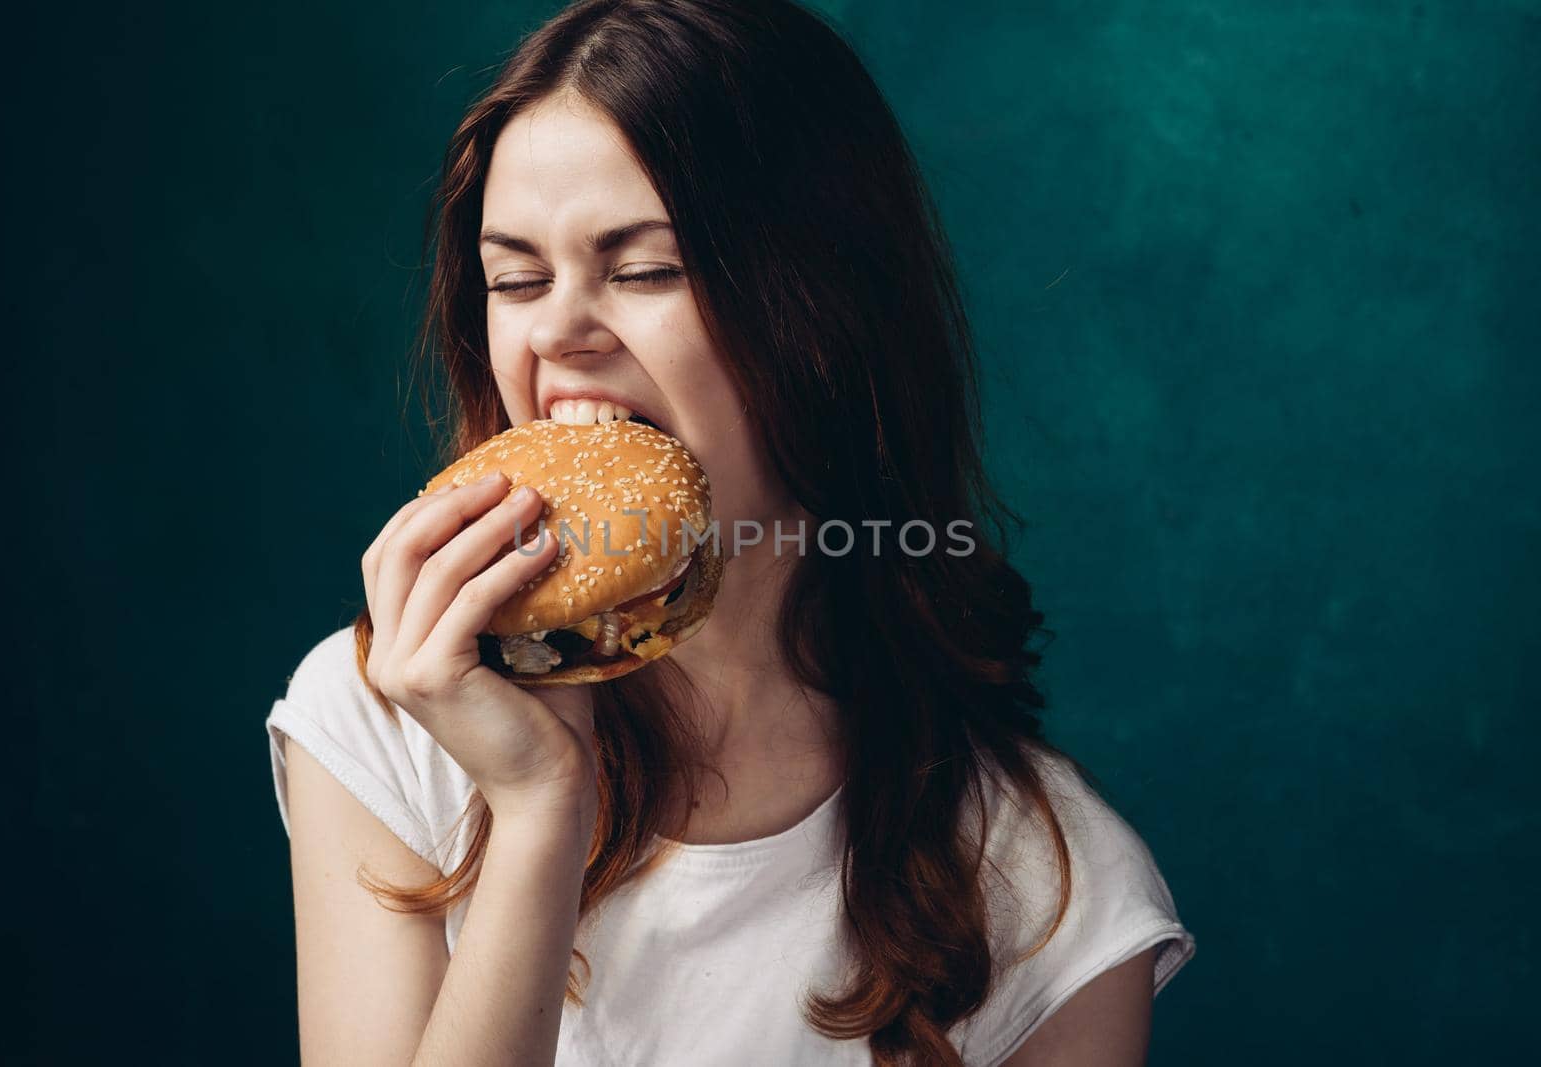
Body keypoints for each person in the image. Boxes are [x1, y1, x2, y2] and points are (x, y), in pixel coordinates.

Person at [263, 1, 1195, 1063]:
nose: (558, 331)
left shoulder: (1054, 888)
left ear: (826, 314)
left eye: (645, 268)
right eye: (515, 280)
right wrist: (537, 816)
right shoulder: (384, 722)